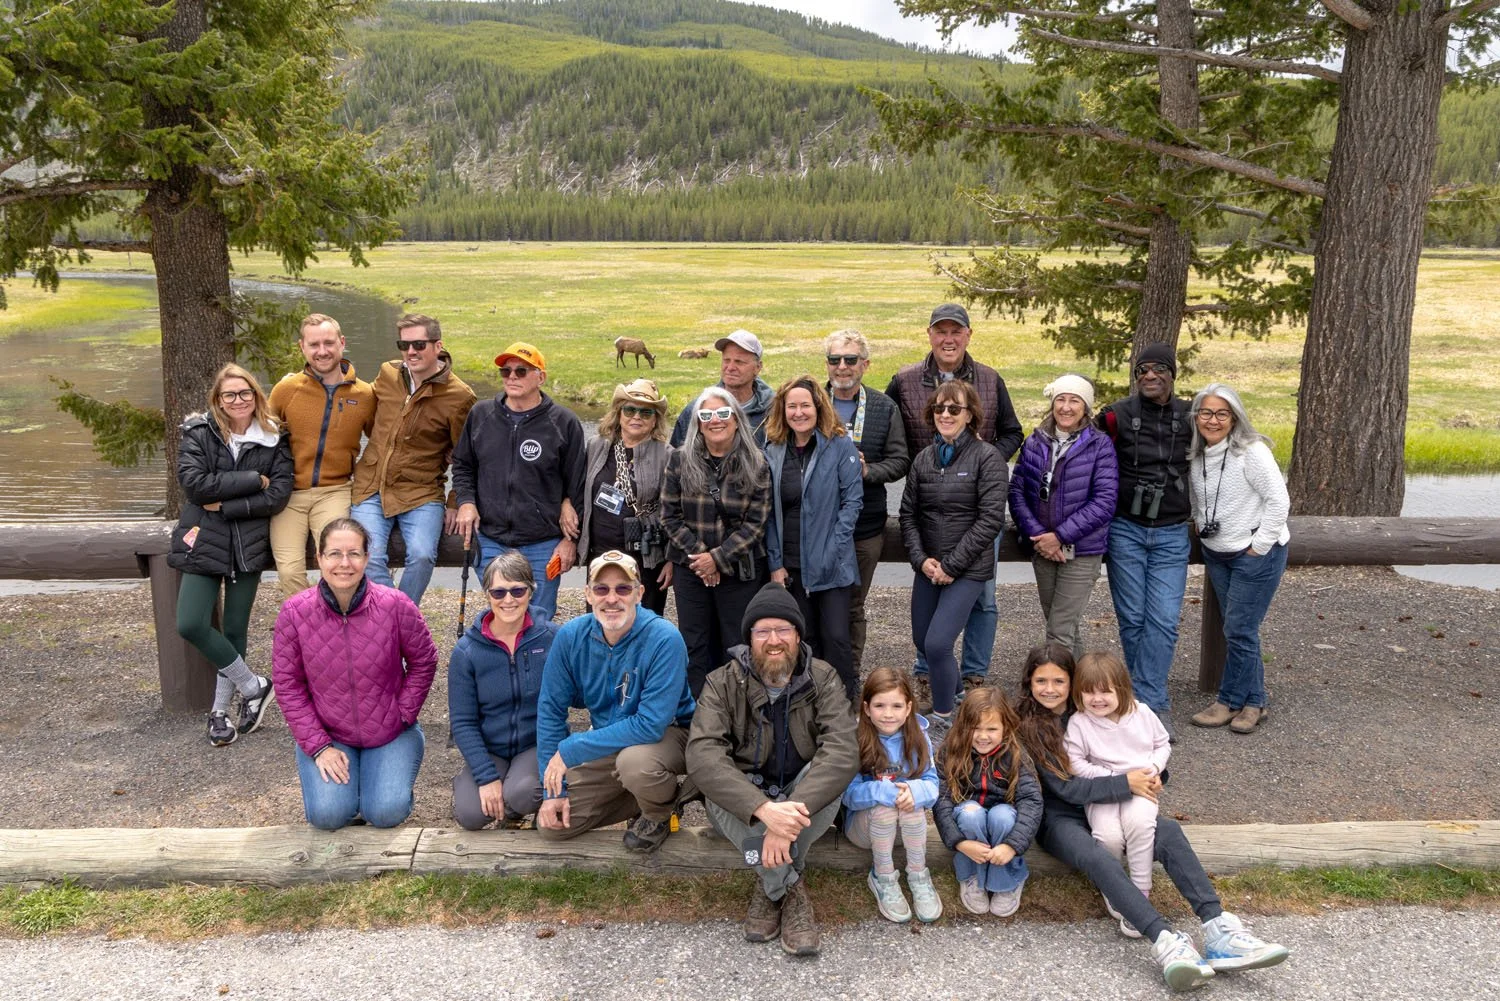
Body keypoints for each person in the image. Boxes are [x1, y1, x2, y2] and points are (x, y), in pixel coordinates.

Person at [1014, 643, 1289, 990]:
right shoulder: (1028, 722)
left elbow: (1145, 748)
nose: (1049, 689)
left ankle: (1217, 927)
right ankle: (1165, 941)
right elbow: (1065, 789)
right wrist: (1126, 783)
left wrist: (1151, 777)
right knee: (1096, 855)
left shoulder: (1097, 707)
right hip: (1060, 817)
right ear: (1029, 682)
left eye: (1059, 681)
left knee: (1169, 833)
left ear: (1074, 682)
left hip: (1119, 802)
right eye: (1041, 681)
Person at [686, 581, 858, 956]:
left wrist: (786, 821)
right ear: (750, 639)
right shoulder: (721, 682)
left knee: (828, 775)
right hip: (747, 797)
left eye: (783, 629)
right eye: (763, 631)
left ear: (798, 635)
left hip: (803, 795)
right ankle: (788, 887)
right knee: (717, 787)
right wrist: (764, 810)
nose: (774, 639)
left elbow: (843, 750)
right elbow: (703, 754)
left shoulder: (824, 678)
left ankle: (768, 885)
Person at [886, 304, 1023, 695]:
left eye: (956, 332)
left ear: (968, 335)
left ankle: (973, 671)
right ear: (929, 335)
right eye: (940, 331)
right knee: (929, 595)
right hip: (930, 497)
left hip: (976, 501)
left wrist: (986, 457)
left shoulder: (990, 379)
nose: (948, 339)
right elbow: (888, 428)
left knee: (981, 597)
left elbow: (1014, 432)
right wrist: (920, 463)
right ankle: (930, 669)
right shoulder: (905, 379)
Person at [273, 518, 438, 829]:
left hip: (390, 730)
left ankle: (378, 787)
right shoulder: (294, 613)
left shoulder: (396, 605)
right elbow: (287, 684)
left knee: (386, 812)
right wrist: (318, 746)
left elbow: (424, 661)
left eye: (354, 554)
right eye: (335, 553)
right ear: (319, 559)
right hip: (330, 734)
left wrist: (403, 713)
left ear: (366, 558)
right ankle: (349, 789)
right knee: (328, 815)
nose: (344, 564)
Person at [534, 551, 696, 850]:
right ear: (588, 594)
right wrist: (553, 794)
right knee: (553, 827)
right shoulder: (570, 637)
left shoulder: (664, 638)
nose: (612, 598)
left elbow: (650, 725)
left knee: (635, 764)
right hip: (612, 739)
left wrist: (571, 749)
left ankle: (660, 810)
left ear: (639, 593)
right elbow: (549, 710)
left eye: (623, 588)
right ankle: (639, 797)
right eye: (601, 589)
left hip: (671, 735)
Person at [169, 363, 294, 747]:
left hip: (247, 543)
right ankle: (253, 685)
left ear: (256, 396)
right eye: (229, 395)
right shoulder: (198, 432)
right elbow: (194, 486)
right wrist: (253, 480)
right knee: (190, 622)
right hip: (203, 541)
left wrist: (225, 506)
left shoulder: (275, 439)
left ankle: (220, 713)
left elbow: (277, 496)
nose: (238, 401)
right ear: (217, 400)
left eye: (245, 393)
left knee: (235, 629)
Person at [898, 380, 1009, 747]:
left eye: (954, 409)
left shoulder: (987, 458)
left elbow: (990, 519)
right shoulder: (924, 459)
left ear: (970, 415)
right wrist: (921, 560)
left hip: (968, 568)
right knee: (921, 638)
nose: (946, 415)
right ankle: (959, 697)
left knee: (938, 643)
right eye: (939, 409)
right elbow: (908, 515)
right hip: (929, 565)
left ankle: (944, 717)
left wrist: (952, 565)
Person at [1095, 342, 1192, 732]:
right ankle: (1146, 706)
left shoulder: (1192, 414)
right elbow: (1082, 449)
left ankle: (1147, 703)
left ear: (1172, 374)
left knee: (1164, 620)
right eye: (1142, 371)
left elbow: (1225, 449)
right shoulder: (1116, 415)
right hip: (1125, 529)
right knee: (1133, 619)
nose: (1150, 376)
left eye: (1158, 369)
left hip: (1172, 530)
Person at [452, 341, 585, 621]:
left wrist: (568, 540)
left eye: (521, 371)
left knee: (538, 619)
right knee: (502, 614)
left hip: (543, 543)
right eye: (506, 371)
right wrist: (465, 502)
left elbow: (577, 485)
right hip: (490, 538)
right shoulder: (480, 415)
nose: (512, 377)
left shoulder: (564, 422)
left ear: (541, 377)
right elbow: (463, 465)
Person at [1187, 383, 1291, 736]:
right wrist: (1201, 524)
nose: (1213, 420)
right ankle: (1255, 701)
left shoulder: (1252, 452)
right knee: (1240, 630)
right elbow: (1202, 501)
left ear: (1234, 418)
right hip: (1218, 553)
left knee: (1239, 629)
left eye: (1221, 413)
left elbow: (1279, 501)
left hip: (1255, 554)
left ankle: (1229, 701)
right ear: (1196, 416)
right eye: (1206, 412)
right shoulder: (1198, 455)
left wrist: (1259, 546)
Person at [351, 313, 476, 606]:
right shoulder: (387, 374)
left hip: (422, 492)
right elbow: (368, 413)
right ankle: (397, 618)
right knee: (368, 555)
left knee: (421, 554)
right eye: (404, 344)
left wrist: (456, 501)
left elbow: (466, 457)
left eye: (419, 344)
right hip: (371, 487)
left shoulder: (459, 396)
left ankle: (398, 619)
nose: (411, 352)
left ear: (438, 345)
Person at [661, 387, 772, 697]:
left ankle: (735, 709)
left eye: (723, 414)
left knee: (735, 644)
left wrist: (718, 559)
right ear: (697, 422)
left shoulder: (757, 462)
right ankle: (696, 713)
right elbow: (669, 516)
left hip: (739, 570)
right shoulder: (679, 460)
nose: (715, 421)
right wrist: (702, 558)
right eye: (706, 415)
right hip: (691, 570)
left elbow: (756, 523)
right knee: (693, 642)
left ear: (736, 419)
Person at [763, 375, 863, 701]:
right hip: (791, 564)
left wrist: (834, 547)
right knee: (804, 640)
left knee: (836, 637)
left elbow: (852, 502)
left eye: (805, 405)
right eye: (792, 406)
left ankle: (845, 705)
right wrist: (775, 563)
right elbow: (768, 513)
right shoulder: (774, 450)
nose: (799, 412)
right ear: (783, 410)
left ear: (818, 407)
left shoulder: (839, 445)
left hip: (831, 562)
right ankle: (809, 706)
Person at [448, 550, 558, 831]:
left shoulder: (552, 638)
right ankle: (472, 785)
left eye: (517, 590)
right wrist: (485, 777)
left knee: (523, 794)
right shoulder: (467, 651)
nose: (508, 600)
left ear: (531, 591)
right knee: (471, 815)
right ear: (487, 595)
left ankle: (512, 807)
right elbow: (462, 722)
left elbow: (576, 697)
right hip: (491, 749)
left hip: (535, 745)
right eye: (498, 593)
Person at [267, 313, 376, 597]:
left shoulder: (364, 394)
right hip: (289, 494)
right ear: (302, 346)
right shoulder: (286, 389)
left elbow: (382, 442)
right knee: (290, 570)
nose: (322, 351)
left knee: (337, 566)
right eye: (314, 344)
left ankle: (338, 624)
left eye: (329, 343)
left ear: (342, 343)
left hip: (335, 490)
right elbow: (261, 434)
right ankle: (306, 623)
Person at [1009, 374, 1118, 656]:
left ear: (1086, 407)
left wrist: (1060, 536)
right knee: (1063, 628)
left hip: (1082, 551)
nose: (1066, 407)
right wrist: (1041, 537)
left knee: (1059, 631)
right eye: (1061, 399)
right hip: (1043, 548)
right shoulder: (1035, 441)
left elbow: (1104, 501)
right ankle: (1087, 690)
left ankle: (1064, 698)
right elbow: (1017, 491)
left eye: (1074, 400)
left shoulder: (1100, 445)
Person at [823, 329, 909, 672]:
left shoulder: (884, 407)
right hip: (816, 525)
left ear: (866, 364)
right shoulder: (811, 402)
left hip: (865, 527)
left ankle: (848, 673)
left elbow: (900, 460)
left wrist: (866, 471)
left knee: (853, 605)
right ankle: (815, 673)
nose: (842, 367)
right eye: (834, 359)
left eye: (850, 359)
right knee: (814, 598)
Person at [1063, 652, 1170, 901]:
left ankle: (1141, 888)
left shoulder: (1142, 713)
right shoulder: (1080, 723)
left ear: (1121, 689)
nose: (1097, 699)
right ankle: (1114, 888)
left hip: (1142, 787)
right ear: (1079, 693)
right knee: (1108, 836)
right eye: (1089, 692)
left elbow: (1162, 744)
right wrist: (1116, 777)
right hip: (1103, 791)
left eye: (1106, 692)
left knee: (1141, 826)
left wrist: (1153, 768)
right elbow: (1074, 763)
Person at [841, 668, 941, 924]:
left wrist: (915, 792)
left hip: (904, 830)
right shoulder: (855, 739)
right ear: (866, 708)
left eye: (896, 706)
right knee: (886, 808)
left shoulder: (919, 737)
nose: (888, 714)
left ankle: (918, 876)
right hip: (863, 830)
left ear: (908, 708)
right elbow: (847, 795)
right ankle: (883, 878)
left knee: (912, 804)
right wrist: (884, 792)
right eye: (880, 705)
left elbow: (932, 784)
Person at [932, 688, 1042, 918]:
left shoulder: (1016, 754)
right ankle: (972, 875)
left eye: (992, 729)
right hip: (969, 818)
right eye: (976, 728)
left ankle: (1007, 881)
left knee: (1001, 815)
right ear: (963, 726)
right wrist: (960, 842)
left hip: (1004, 820)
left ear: (1006, 727)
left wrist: (1012, 845)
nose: (983, 736)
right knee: (971, 814)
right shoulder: (949, 752)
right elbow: (941, 801)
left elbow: (1031, 800)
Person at [577, 378, 673, 615]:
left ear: (655, 421)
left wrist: (672, 559)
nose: (636, 417)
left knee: (644, 622)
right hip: (601, 554)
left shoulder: (667, 455)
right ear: (618, 414)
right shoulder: (596, 446)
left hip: (647, 559)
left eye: (646, 412)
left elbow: (676, 511)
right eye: (629, 409)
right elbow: (576, 490)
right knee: (600, 619)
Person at [669, 329, 774, 447]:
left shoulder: (775, 411)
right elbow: (677, 458)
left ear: (758, 367)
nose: (730, 367)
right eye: (726, 360)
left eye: (739, 362)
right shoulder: (697, 410)